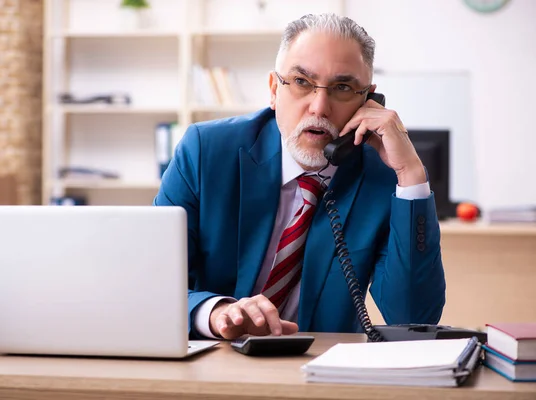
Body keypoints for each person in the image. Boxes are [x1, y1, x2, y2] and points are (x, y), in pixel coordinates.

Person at [154, 14, 445, 340]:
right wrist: (216, 312)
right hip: (212, 363)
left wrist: (412, 176)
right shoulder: (205, 152)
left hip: (321, 372)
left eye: (343, 88)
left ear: (369, 100)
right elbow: (151, 282)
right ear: (274, 90)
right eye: (302, 82)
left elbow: (416, 316)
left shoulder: (383, 178)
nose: (319, 107)